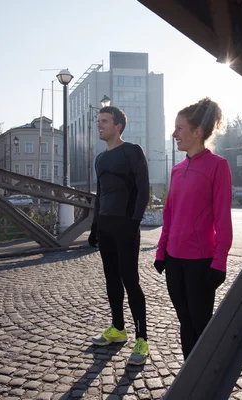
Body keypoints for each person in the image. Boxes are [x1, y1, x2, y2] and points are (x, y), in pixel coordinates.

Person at [154, 97, 233, 359]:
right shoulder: (177, 169)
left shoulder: (218, 166)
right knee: (185, 324)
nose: (174, 133)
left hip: (201, 262)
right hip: (174, 261)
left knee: (201, 326)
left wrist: (219, 262)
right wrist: (161, 252)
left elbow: (222, 219)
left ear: (197, 132)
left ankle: (206, 380)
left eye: (179, 128)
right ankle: (188, 381)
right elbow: (169, 214)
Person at [88, 106, 150, 365]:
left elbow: (143, 189)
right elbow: (100, 196)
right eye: (98, 121)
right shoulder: (100, 159)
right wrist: (94, 227)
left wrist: (133, 222)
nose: (99, 125)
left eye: (104, 121)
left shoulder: (132, 151)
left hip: (125, 226)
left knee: (130, 281)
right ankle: (118, 328)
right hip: (105, 226)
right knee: (111, 280)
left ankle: (142, 339)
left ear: (118, 126)